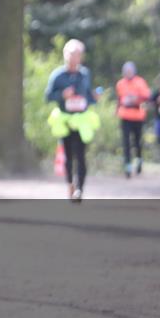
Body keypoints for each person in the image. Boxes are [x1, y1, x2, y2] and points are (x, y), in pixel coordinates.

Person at [45, 39, 101, 202]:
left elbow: (88, 96)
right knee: (69, 156)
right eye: (72, 54)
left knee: (81, 155)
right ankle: (70, 183)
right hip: (65, 120)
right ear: (65, 55)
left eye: (78, 55)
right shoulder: (57, 75)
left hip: (82, 121)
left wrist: (95, 98)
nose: (75, 58)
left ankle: (80, 190)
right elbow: (48, 96)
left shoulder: (85, 74)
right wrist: (62, 95)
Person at [115, 61, 151, 178]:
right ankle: (127, 167)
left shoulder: (140, 82)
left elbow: (147, 96)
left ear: (133, 71)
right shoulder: (120, 84)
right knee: (126, 142)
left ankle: (139, 162)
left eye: (129, 71)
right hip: (125, 116)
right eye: (126, 71)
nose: (128, 73)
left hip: (138, 116)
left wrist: (135, 98)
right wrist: (116, 111)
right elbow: (119, 99)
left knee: (137, 142)